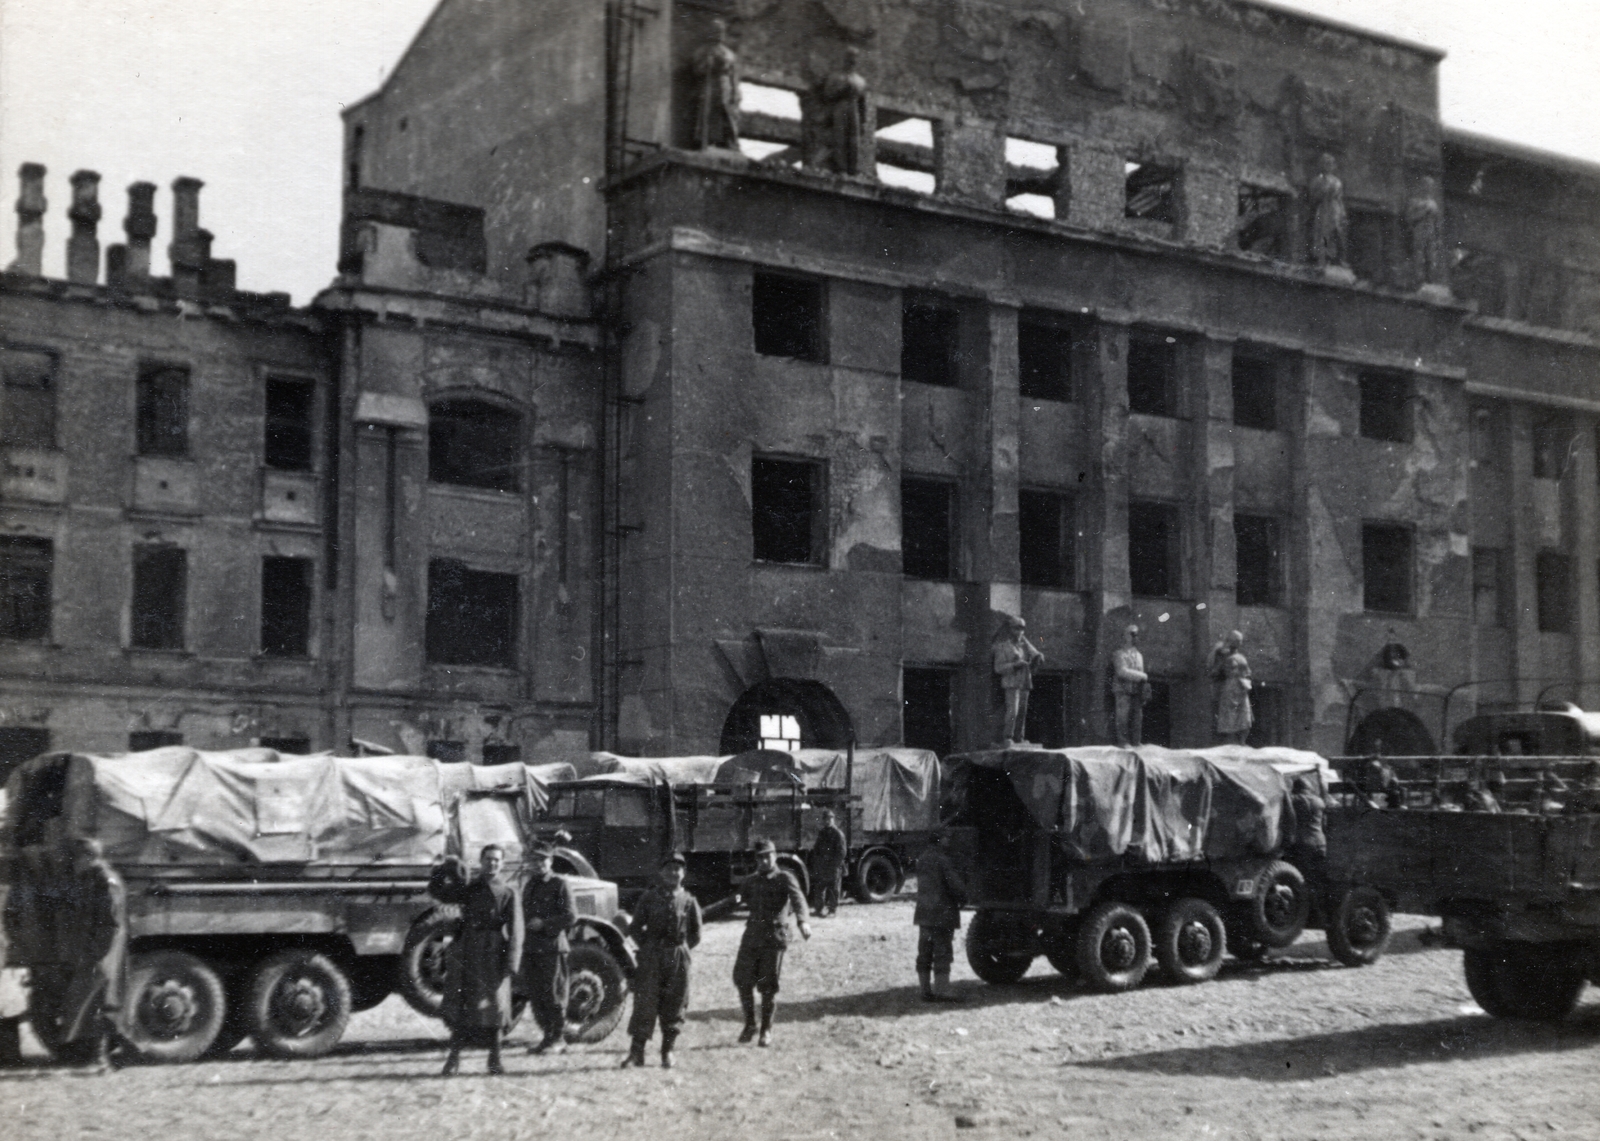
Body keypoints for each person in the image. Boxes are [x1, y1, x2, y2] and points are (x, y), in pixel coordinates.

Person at [430, 844, 523, 1076]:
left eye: (497, 860)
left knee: (496, 1007)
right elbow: (439, 891)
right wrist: (448, 866)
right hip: (468, 951)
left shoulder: (509, 893)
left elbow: (517, 930)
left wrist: (512, 962)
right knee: (461, 1006)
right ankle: (453, 1060)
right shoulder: (469, 888)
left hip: (494, 954)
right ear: (481, 862)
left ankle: (495, 1058)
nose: (492, 864)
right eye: (488, 859)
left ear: (502, 864)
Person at [40, 838, 127, 1072]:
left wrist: (96, 955)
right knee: (90, 1005)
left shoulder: (106, 881)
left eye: (78, 858)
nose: (75, 863)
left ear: (89, 857)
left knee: (98, 1005)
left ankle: (100, 1061)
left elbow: (111, 924)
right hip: (94, 954)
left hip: (103, 955)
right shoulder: (93, 879)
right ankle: (95, 1060)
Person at [621, 853, 702, 1070]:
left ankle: (668, 1052)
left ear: (683, 874)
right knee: (645, 1003)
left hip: (677, 957)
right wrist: (648, 948)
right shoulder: (649, 898)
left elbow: (696, 934)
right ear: (661, 872)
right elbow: (635, 928)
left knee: (675, 1004)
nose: (673, 873)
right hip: (652, 956)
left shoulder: (689, 901)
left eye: (678, 869)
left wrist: (680, 950)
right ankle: (636, 1054)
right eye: (669, 869)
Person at [732, 839, 810, 1047]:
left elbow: (798, 899)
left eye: (768, 856)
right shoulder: (750, 881)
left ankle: (766, 1029)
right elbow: (735, 900)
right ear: (756, 860)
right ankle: (750, 1024)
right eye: (761, 857)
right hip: (752, 936)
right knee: (741, 979)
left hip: (774, 937)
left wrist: (803, 922)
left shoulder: (785, 877)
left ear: (775, 856)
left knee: (768, 986)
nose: (765, 860)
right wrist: (702, 914)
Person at [521, 842, 577, 1055]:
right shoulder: (530, 885)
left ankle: (558, 1039)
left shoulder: (559, 884)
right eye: (534, 860)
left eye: (542, 859)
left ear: (550, 861)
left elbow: (571, 916)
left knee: (554, 995)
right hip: (532, 948)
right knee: (538, 995)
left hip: (552, 948)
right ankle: (547, 1037)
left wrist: (544, 924)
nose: (538, 864)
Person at [913, 830, 967, 1002]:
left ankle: (925, 990)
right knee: (942, 951)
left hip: (924, 913)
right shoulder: (943, 860)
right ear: (939, 840)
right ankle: (943, 990)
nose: (949, 841)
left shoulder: (922, 858)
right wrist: (964, 897)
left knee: (925, 951)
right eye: (946, 838)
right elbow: (955, 885)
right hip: (942, 913)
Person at [815, 46, 869, 175]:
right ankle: (841, 168)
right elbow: (827, 95)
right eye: (849, 58)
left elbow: (862, 103)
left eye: (854, 58)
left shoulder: (860, 81)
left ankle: (853, 168)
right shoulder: (835, 77)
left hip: (853, 109)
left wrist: (863, 121)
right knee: (839, 138)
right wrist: (841, 91)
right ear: (844, 59)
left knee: (854, 139)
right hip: (840, 108)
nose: (852, 61)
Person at [992, 615, 1045, 745]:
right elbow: (998, 668)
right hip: (1011, 682)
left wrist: (1038, 657)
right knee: (1013, 711)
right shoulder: (1003, 647)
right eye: (1017, 628)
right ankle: (1007, 736)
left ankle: (1019, 737)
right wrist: (1015, 665)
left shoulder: (1025, 645)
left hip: (1024, 681)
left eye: (1022, 628)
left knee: (1022, 712)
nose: (1020, 631)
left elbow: (1035, 653)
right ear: (1010, 629)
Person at [693, 18, 740, 149]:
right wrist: (708, 65)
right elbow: (697, 70)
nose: (719, 34)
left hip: (725, 86)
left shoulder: (730, 54)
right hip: (710, 85)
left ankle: (729, 142)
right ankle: (708, 141)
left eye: (721, 31)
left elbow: (734, 76)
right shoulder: (703, 51)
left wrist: (735, 92)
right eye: (716, 31)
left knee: (726, 113)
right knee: (708, 113)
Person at [1288, 776, 1328, 910]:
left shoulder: (1295, 800)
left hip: (1303, 844)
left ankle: (1306, 909)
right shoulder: (1319, 801)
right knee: (1317, 878)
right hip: (1320, 843)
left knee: (1301, 877)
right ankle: (1321, 908)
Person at [1208, 630, 1253, 745]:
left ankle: (1242, 742)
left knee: (1245, 716)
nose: (1239, 643)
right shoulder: (1223, 656)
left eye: (1240, 641)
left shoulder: (1241, 657)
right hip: (1229, 687)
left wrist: (1245, 677)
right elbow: (1214, 672)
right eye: (1236, 640)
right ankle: (1231, 742)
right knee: (1230, 715)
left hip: (1241, 687)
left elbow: (1248, 672)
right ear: (1230, 641)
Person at [1110, 624, 1150, 747]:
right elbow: (1122, 671)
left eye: (1136, 635)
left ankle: (1136, 741)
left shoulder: (1139, 656)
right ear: (1125, 636)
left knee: (1137, 718)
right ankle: (1123, 741)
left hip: (1136, 692)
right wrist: (1142, 676)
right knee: (1123, 718)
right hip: (1123, 690)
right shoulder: (1119, 654)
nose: (1135, 637)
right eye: (1132, 634)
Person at [1309, 152, 1348, 269]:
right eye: (1326, 163)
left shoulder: (1337, 181)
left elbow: (1339, 198)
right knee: (1324, 234)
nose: (1328, 166)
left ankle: (1338, 260)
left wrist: (1342, 212)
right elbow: (1313, 197)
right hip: (1324, 209)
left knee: (1338, 233)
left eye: (1330, 164)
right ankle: (1322, 260)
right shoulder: (1318, 180)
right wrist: (1323, 193)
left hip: (1335, 209)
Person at [808, 810, 848, 917]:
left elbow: (842, 852)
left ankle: (832, 911)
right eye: (826, 819)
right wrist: (818, 861)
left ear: (833, 819)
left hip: (833, 866)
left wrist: (835, 865)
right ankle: (818, 909)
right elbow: (816, 848)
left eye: (830, 818)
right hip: (823, 865)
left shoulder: (838, 834)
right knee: (819, 887)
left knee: (833, 888)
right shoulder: (822, 832)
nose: (828, 821)